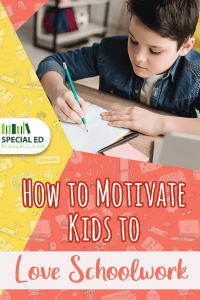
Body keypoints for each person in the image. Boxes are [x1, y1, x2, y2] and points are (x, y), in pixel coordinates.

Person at [36, 0, 200, 137]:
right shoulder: (110, 50)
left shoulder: (196, 73)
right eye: (133, 40)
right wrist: (57, 91)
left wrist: (161, 123)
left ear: (185, 47)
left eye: (154, 51)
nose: (138, 57)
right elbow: (52, 63)